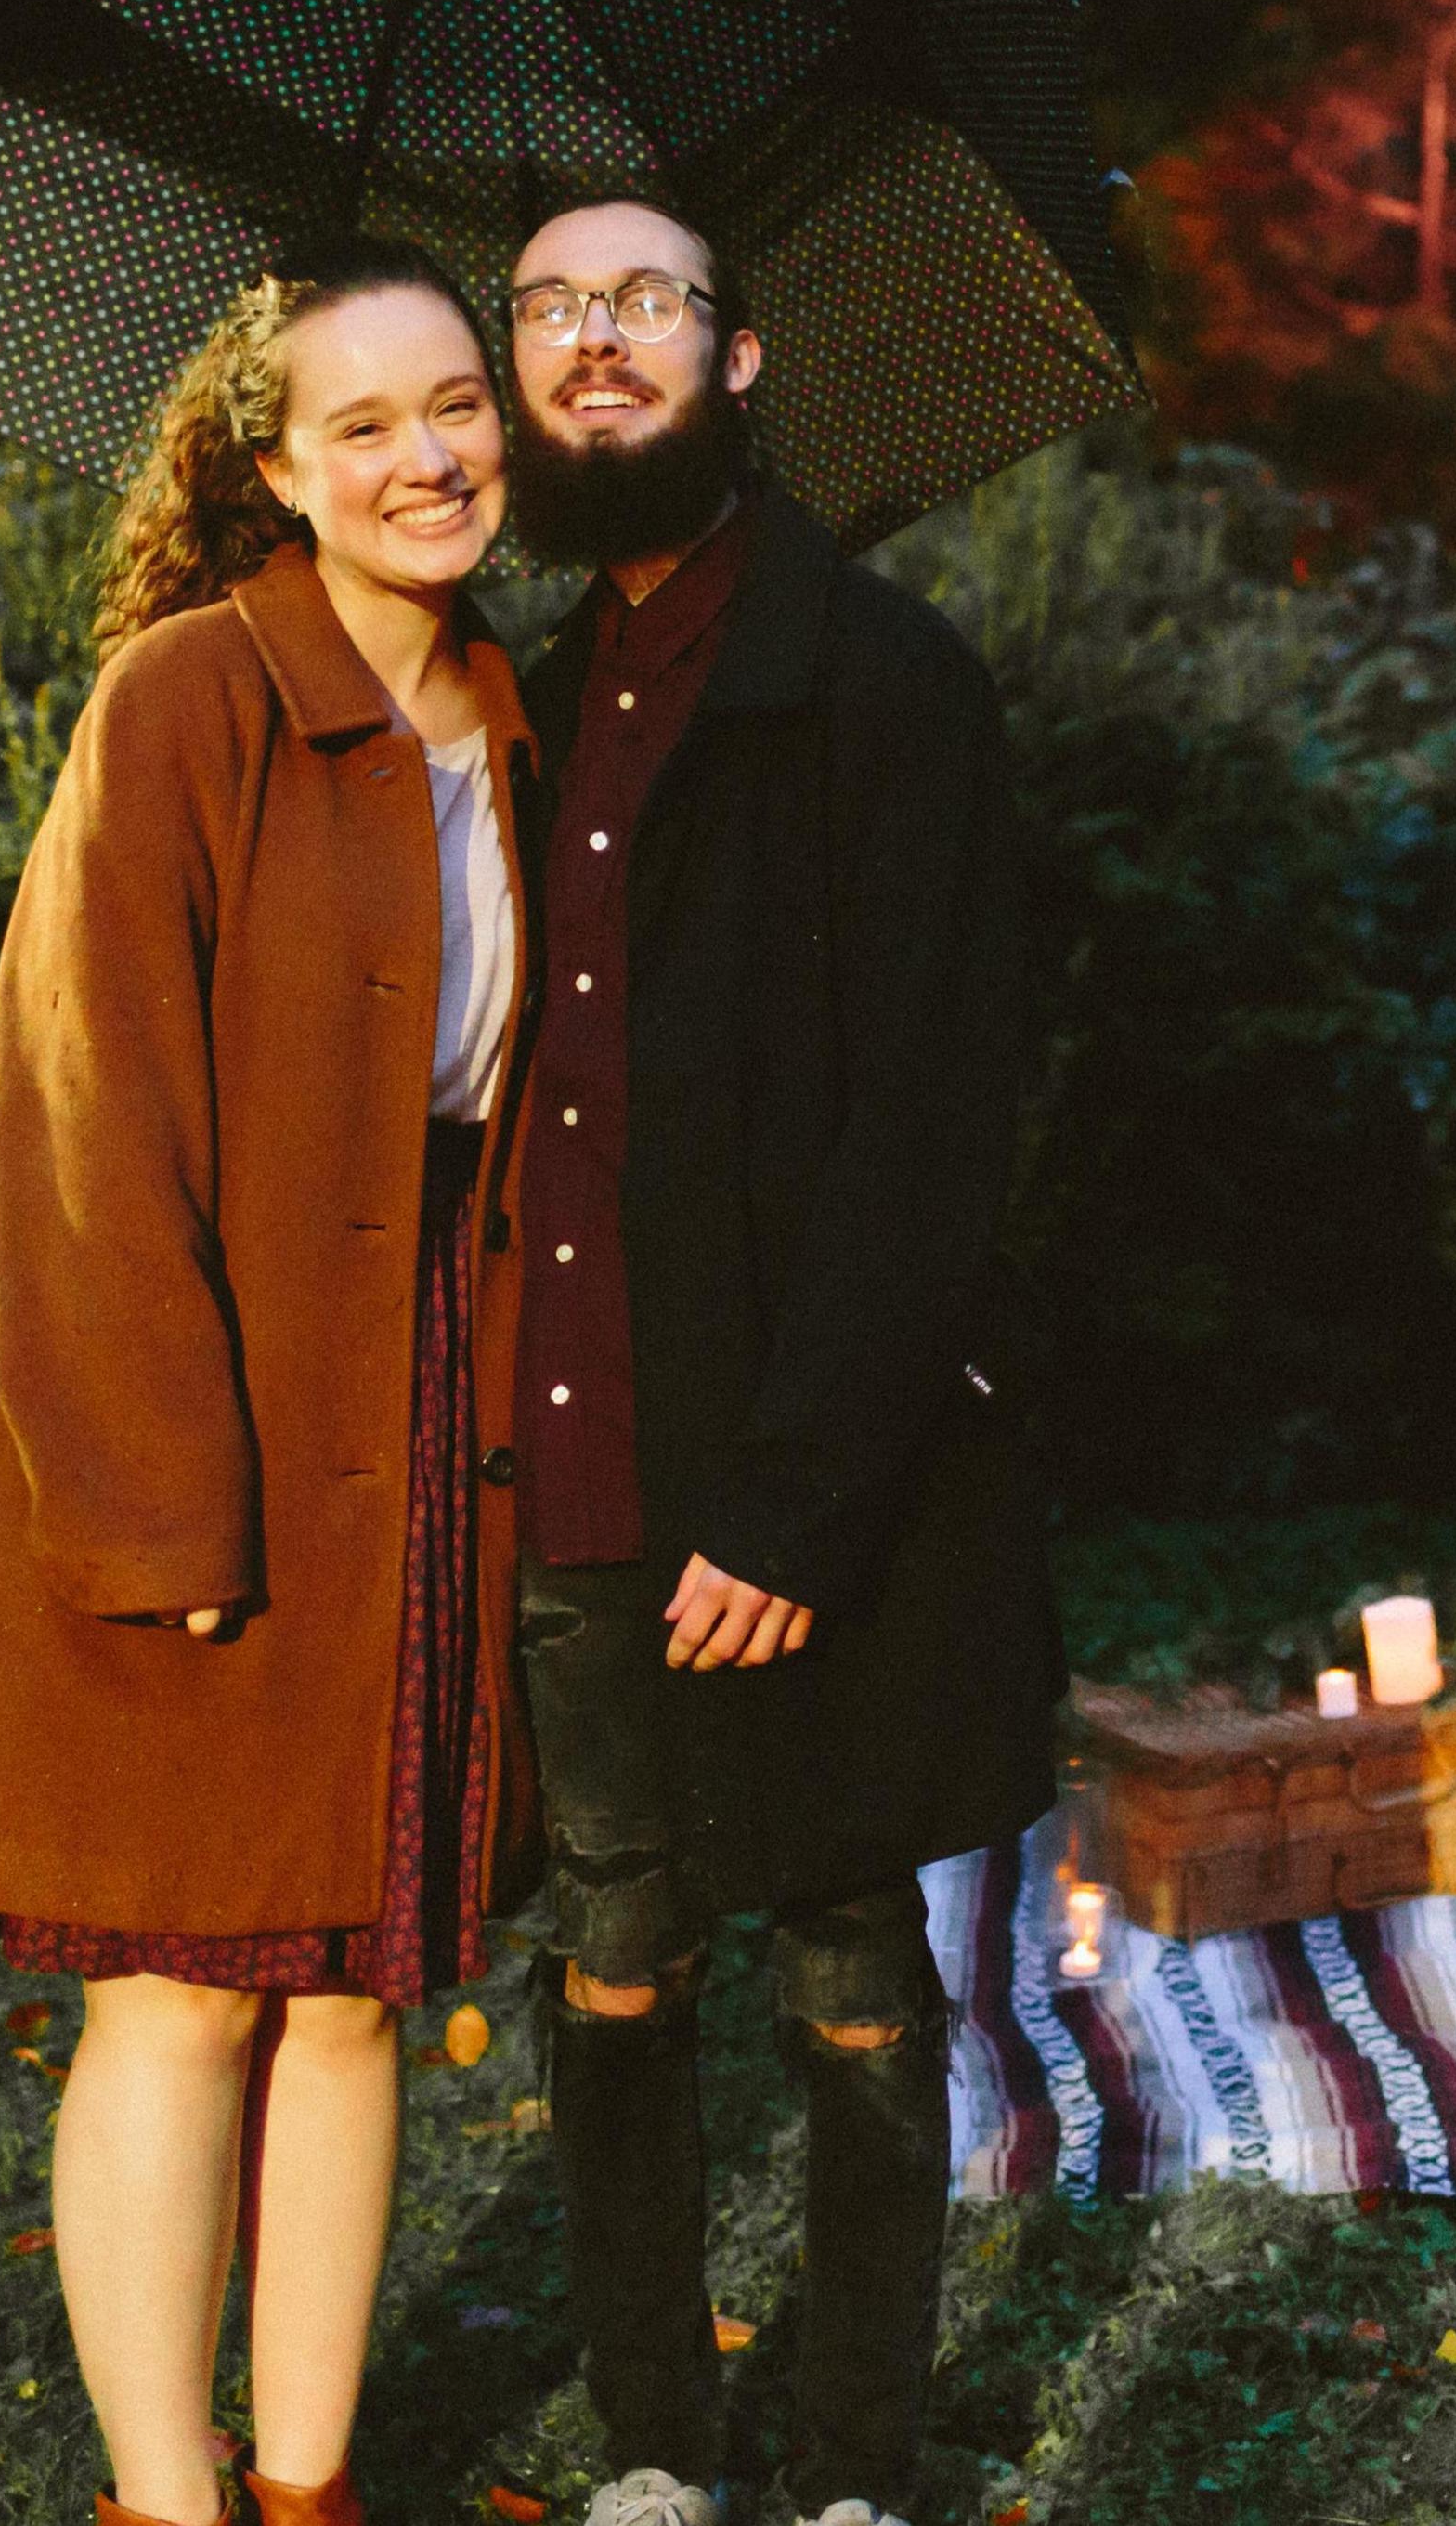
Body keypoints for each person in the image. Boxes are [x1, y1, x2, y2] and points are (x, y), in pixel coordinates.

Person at [0, 240, 542, 2526]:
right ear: (275, 465)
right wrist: (168, 1516)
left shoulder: (520, 716)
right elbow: (77, 1128)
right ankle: (168, 2499)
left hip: (425, 1417)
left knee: (354, 1984)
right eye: (363, 423)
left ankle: (315, 2479)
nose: (428, 452)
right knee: (186, 1985)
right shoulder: (185, 702)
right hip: (196, 1421)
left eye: (455, 401)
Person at [498, 196, 1060, 2526]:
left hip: (803, 1485)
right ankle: (651, 2441)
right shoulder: (504, 698)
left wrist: (802, 1489)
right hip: (574, 1454)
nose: (590, 337)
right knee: (611, 1958)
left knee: (849, 1969)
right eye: (544, 307)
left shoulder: (884, 682)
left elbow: (954, 1115)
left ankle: (847, 2466)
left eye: (643, 298)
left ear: (738, 361)